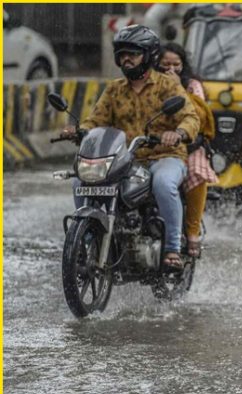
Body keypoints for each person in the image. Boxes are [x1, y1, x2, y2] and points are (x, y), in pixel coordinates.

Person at [62, 25, 200, 270]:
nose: (126, 59)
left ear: (148, 55)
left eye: (133, 53)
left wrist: (177, 133)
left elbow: (191, 117)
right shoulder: (114, 89)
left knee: (163, 183)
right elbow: (97, 120)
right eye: (122, 54)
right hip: (125, 159)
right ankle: (88, 238)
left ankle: (172, 247)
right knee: (80, 181)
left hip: (164, 155)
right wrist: (79, 130)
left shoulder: (168, 86)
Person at [157, 42, 218, 257]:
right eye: (165, 65)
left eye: (176, 64)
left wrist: (177, 89)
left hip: (190, 146)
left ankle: (192, 232)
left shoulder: (192, 86)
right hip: (155, 145)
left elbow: (198, 116)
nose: (171, 69)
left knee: (196, 171)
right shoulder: (148, 84)